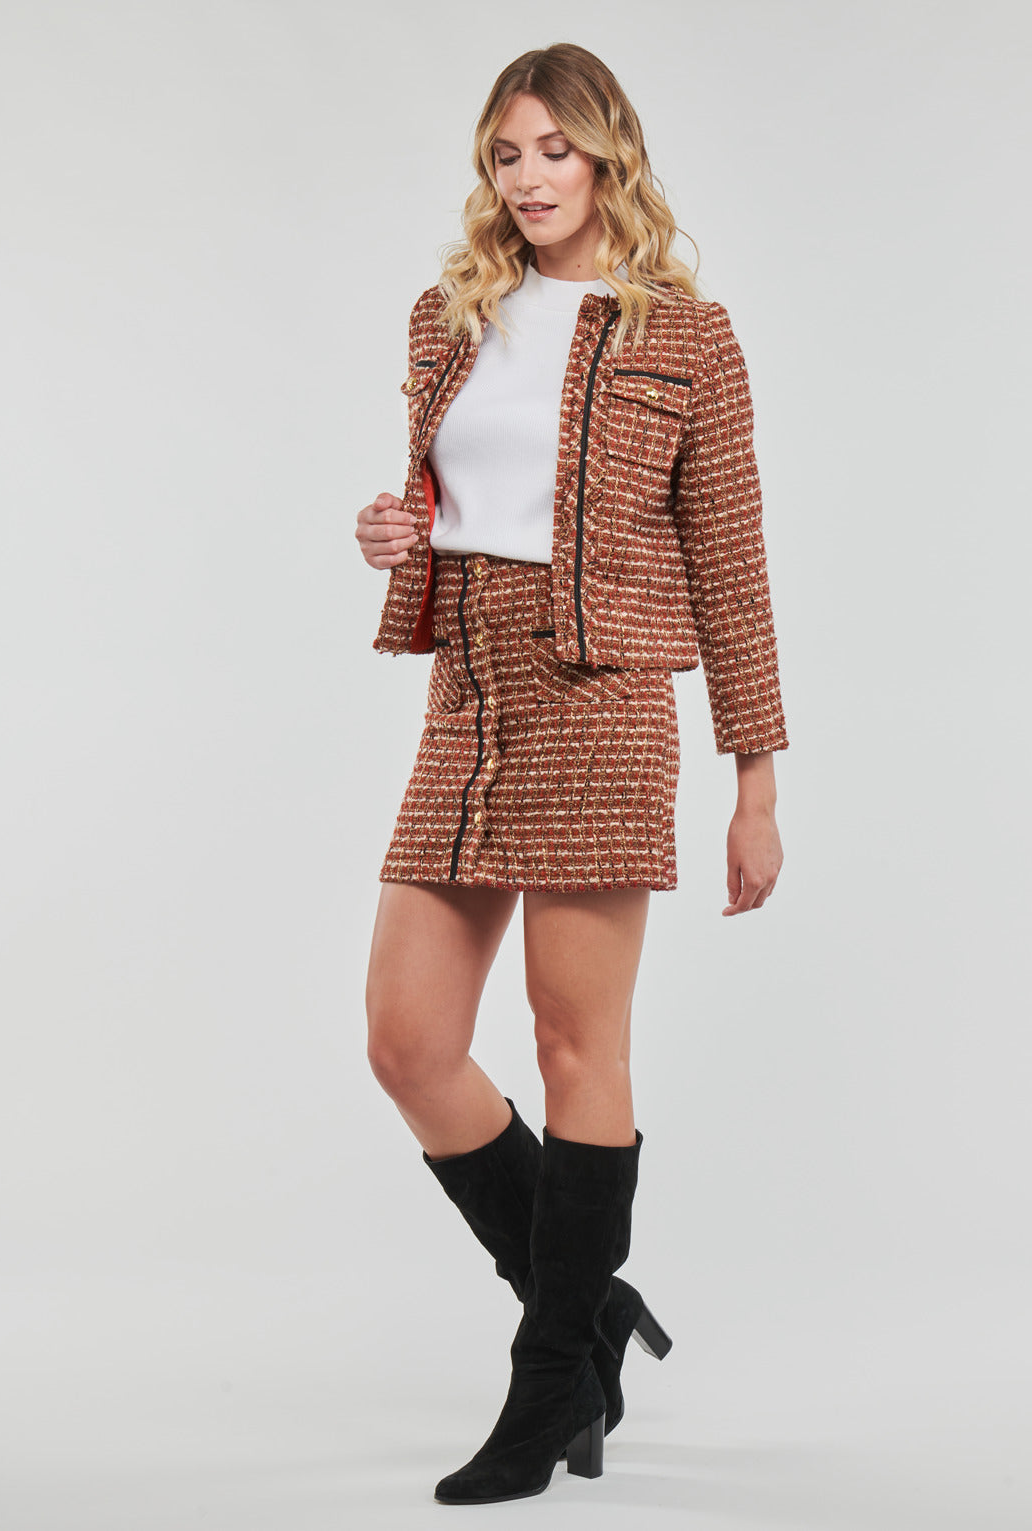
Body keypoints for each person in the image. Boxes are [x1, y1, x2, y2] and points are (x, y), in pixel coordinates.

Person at [355, 42, 789, 1505]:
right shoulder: (449, 315)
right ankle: (592, 1310)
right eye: (506, 154)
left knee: (571, 1040)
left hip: (601, 701)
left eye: (555, 150)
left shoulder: (686, 335)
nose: (530, 178)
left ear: (610, 155)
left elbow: (731, 565)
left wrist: (755, 783)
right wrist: (397, 530)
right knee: (407, 1041)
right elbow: (447, 501)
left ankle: (551, 1380)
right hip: (468, 696)